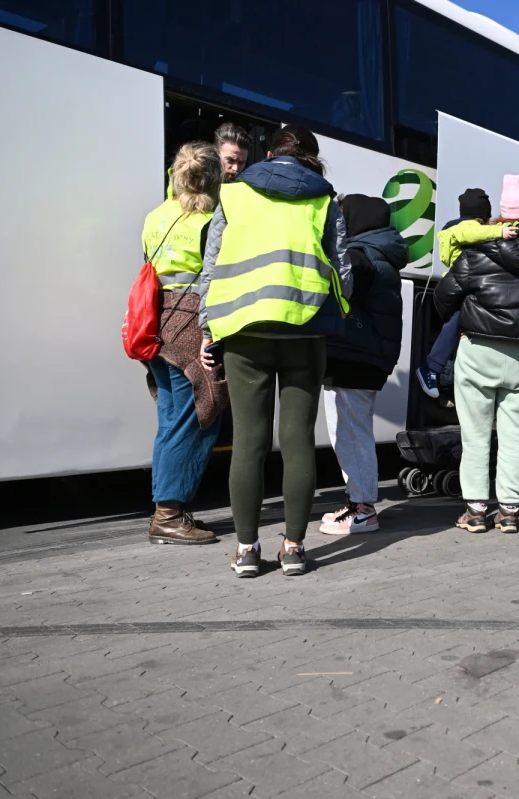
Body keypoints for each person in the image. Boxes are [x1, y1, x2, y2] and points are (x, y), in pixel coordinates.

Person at [198, 124, 352, 578]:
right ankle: (294, 549)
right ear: (313, 157)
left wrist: (210, 330)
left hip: (244, 330)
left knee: (249, 442)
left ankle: (247, 551)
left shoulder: (234, 194)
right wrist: (337, 313)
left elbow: (213, 264)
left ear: (268, 153)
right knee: (299, 440)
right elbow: (341, 268)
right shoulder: (325, 200)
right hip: (305, 331)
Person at [434, 175, 519, 534]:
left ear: (502, 216)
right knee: (514, 435)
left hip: (477, 351)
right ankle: (508, 511)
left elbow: (443, 300)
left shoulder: (477, 253)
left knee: (475, 436)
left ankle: (475, 511)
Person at [143, 142, 228, 546]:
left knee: (170, 420)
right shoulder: (213, 219)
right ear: (216, 178)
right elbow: (216, 274)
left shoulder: (155, 215)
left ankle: (166, 509)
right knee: (197, 414)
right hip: (191, 321)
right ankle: (168, 515)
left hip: (156, 320)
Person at [318, 194, 408, 536]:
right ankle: (357, 500)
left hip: (354, 357)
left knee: (350, 432)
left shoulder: (360, 257)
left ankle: (364, 510)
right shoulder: (377, 253)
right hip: (363, 357)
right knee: (352, 429)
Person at [415, 188, 497, 399]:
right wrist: (503, 231)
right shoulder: (467, 229)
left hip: (452, 287)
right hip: (459, 288)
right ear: (481, 217)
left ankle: (441, 371)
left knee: (459, 325)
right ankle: (431, 367)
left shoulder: (459, 231)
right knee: (460, 318)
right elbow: (473, 232)